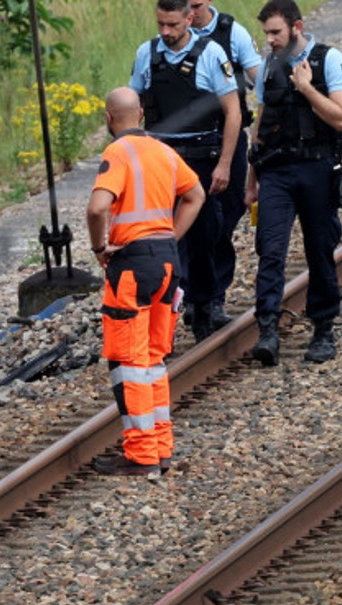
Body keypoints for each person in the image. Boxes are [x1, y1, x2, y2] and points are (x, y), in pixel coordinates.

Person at [87, 87, 206, 477]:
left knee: (129, 362)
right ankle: (161, 447)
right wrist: (171, 236)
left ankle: (141, 456)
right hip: (167, 263)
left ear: (109, 118)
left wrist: (99, 246)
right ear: (140, 114)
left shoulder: (117, 153)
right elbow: (196, 195)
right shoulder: (164, 152)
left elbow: (98, 207)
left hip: (132, 264)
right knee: (154, 359)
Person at [244, 0, 342, 365]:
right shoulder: (268, 66)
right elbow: (260, 125)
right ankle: (268, 330)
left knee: (319, 249)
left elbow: (340, 118)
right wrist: (250, 181)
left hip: (318, 169)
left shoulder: (327, 59)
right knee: (270, 250)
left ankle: (323, 328)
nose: (270, 40)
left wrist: (306, 87)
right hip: (276, 171)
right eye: (266, 33)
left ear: (297, 27)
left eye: (276, 32)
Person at [129, 0, 240, 342]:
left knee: (204, 234)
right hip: (160, 156)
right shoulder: (147, 54)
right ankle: (164, 310)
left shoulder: (211, 54)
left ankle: (204, 305)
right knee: (160, 238)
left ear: (189, 19)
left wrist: (224, 164)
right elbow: (131, 104)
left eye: (173, 25)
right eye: (161, 24)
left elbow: (233, 113)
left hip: (201, 158)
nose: (166, 32)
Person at [189, 0, 264, 331]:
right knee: (192, 218)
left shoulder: (233, 33)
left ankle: (208, 294)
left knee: (228, 211)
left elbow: (258, 78)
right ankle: (201, 296)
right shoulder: (171, 35)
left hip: (227, 137)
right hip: (188, 143)